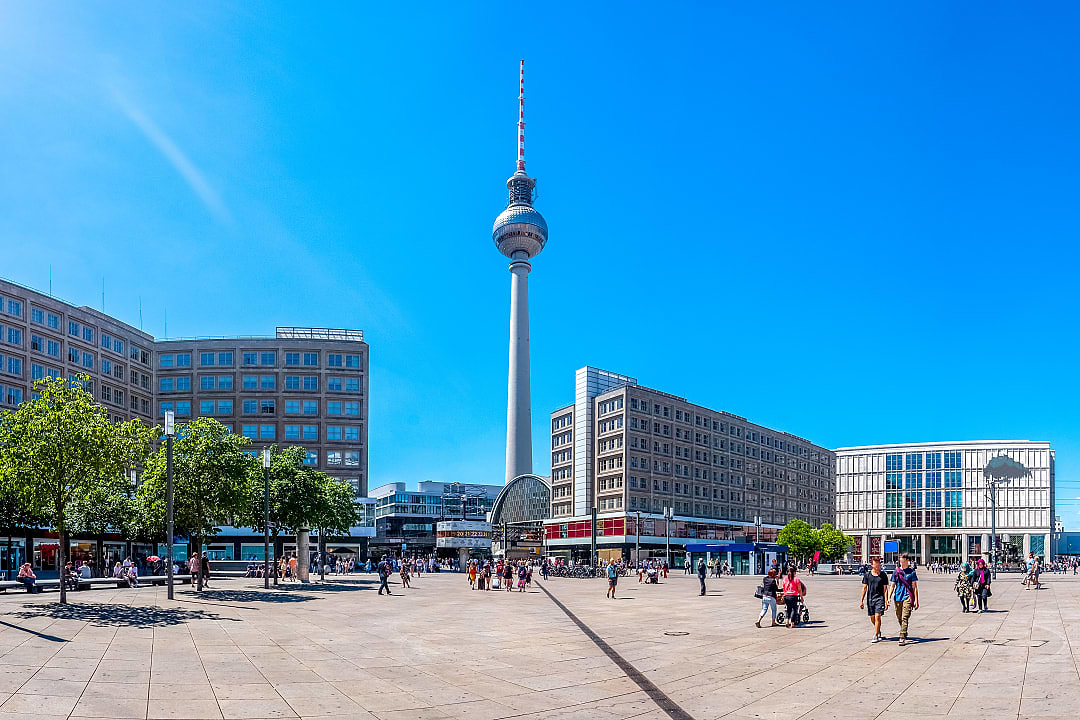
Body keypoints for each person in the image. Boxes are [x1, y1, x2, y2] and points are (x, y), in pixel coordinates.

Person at [860, 557, 890, 642]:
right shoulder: (867, 575)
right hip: (870, 599)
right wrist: (861, 601)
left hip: (880, 598)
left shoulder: (883, 575)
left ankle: (876, 635)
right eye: (876, 563)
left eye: (879, 563)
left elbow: (885, 589)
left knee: (877, 616)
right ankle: (878, 630)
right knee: (872, 617)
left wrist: (886, 601)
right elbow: (864, 588)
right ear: (872, 565)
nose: (878, 565)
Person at [892, 553, 919, 646]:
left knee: (905, 617)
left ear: (907, 560)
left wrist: (916, 600)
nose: (901, 561)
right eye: (900, 559)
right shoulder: (896, 572)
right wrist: (888, 598)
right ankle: (904, 630)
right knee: (899, 616)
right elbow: (892, 585)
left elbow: (914, 587)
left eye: (902, 559)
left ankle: (902, 636)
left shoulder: (911, 572)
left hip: (907, 596)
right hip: (898, 596)